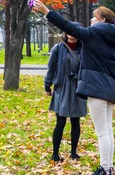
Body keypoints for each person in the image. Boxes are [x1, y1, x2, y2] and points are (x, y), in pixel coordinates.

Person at [33, 0, 115, 175]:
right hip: (109, 89)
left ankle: (106, 169)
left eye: (94, 17)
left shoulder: (95, 35)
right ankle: (108, 167)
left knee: (102, 132)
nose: (91, 20)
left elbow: (68, 27)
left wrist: (47, 11)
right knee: (107, 130)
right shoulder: (113, 38)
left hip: (97, 89)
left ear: (103, 20)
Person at [44, 25, 87, 162]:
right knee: (60, 122)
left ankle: (73, 152)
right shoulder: (58, 49)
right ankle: (55, 153)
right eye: (69, 31)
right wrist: (47, 86)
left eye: (74, 31)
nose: (71, 34)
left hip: (77, 88)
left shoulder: (84, 50)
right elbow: (50, 69)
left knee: (75, 121)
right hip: (62, 88)